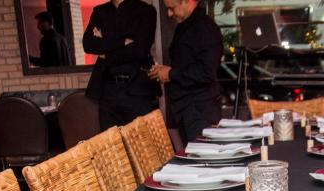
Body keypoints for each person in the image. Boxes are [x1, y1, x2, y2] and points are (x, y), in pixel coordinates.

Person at [149, 0, 222, 144]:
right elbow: (185, 64)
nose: (169, 14)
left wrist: (170, 74)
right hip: (186, 110)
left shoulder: (205, 28)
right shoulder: (183, 26)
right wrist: (165, 71)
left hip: (200, 111)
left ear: (187, 2)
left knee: (201, 155)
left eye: (172, 8)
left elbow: (206, 71)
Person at [83, 0, 159, 130]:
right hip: (108, 90)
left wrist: (106, 52)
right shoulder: (100, 12)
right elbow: (88, 44)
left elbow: (139, 50)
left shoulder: (145, 10)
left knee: (142, 139)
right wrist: (122, 42)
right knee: (111, 140)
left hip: (137, 89)